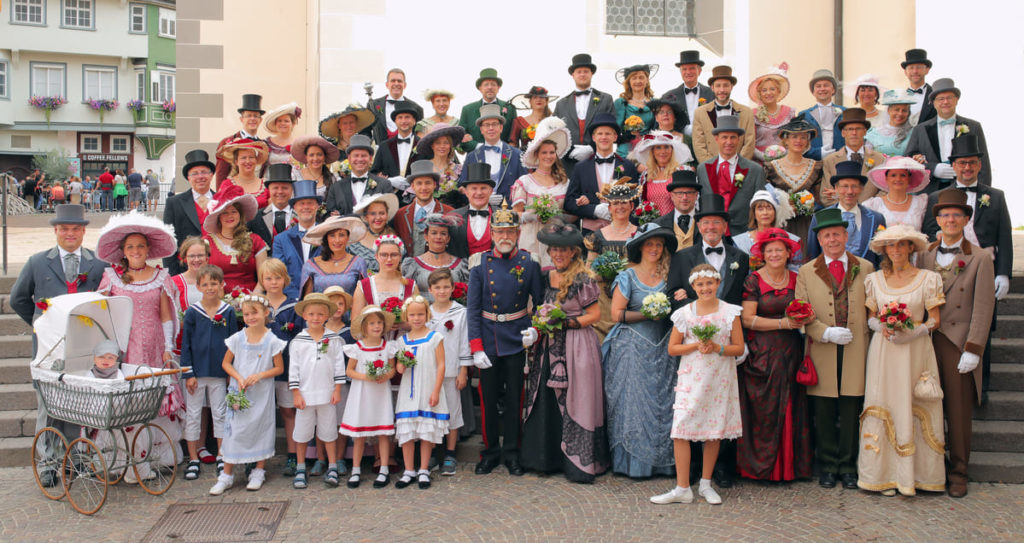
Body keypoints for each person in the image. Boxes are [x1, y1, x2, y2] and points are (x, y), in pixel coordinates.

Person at [10, 204, 106, 488]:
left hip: (83, 345)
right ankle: (50, 462)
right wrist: (42, 325)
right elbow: (18, 299)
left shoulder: (98, 264)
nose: (70, 234)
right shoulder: (37, 262)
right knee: (49, 404)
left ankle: (76, 458)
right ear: (55, 230)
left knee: (78, 403)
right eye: (64, 229)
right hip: (49, 348)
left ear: (83, 231)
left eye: (75, 229)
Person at [922, 135, 1012, 401]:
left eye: (972, 163)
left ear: (979, 165)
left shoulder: (995, 196)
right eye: (962, 164)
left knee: (983, 324)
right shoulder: (936, 196)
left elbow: (1004, 236)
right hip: (949, 270)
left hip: (984, 269)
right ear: (954, 166)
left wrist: (1004, 273)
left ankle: (979, 389)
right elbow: (929, 234)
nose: (967, 168)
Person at [96, 211, 182, 483]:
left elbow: (166, 314)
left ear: (148, 250)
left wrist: (168, 346)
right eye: (130, 246)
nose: (135, 251)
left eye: (140, 246)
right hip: (124, 348)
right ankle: (126, 462)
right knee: (128, 404)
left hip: (154, 345)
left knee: (153, 401)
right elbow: (102, 315)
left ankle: (154, 457)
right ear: (123, 251)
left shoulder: (160, 276)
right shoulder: (111, 277)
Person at [859, 225, 946, 496]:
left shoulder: (929, 278)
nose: (896, 250)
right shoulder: (874, 280)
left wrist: (915, 332)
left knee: (912, 403)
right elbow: (870, 317)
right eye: (891, 245)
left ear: (911, 247)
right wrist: (880, 328)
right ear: (884, 250)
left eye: (901, 244)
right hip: (884, 351)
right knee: (884, 401)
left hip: (916, 351)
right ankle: (883, 475)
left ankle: (916, 476)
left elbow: (935, 319)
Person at [918, 189, 994, 497]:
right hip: (926, 339)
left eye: (956, 215)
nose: (950, 220)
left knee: (958, 411)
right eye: (944, 215)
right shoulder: (923, 254)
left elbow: (984, 305)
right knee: (925, 406)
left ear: (965, 220)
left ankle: (959, 471)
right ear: (936, 219)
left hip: (958, 342)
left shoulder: (981, 258)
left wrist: (974, 349)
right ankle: (930, 468)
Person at [521, 224, 609, 483]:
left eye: (563, 250)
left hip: (577, 346)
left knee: (577, 399)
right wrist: (538, 326)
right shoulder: (546, 276)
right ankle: (545, 458)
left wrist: (563, 323)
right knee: (545, 398)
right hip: (548, 347)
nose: (558, 254)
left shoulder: (584, 278)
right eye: (554, 249)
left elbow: (594, 315)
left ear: (573, 252)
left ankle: (577, 464)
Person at [650, 264, 744, 506]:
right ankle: (682, 487)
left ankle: (705, 483)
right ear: (693, 287)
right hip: (691, 377)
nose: (705, 288)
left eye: (710, 283)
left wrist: (717, 347)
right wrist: (695, 345)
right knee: (681, 429)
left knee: (713, 432)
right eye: (700, 284)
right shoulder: (685, 313)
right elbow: (673, 348)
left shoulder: (730, 312)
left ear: (718, 283)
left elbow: (738, 347)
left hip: (719, 377)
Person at [795, 207, 875, 489]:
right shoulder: (806, 271)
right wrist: (824, 331)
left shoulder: (865, 267)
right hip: (822, 349)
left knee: (852, 408)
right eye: (826, 235)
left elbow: (872, 305)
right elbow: (800, 311)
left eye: (837, 234)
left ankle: (849, 467)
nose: (832, 240)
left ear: (846, 235)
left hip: (856, 347)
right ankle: (828, 465)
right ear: (820, 238)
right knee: (825, 409)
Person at [467, 203, 543, 476]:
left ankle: (512, 452)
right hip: (488, 339)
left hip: (517, 338)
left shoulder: (529, 262)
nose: (505, 236)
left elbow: (541, 303)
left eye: (510, 230)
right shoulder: (479, 263)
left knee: (514, 399)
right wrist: (475, 347)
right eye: (500, 231)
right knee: (487, 401)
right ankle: (489, 452)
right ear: (492, 232)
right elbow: (473, 310)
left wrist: (535, 330)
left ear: (519, 231)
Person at [601, 222, 677, 477]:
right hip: (631, 347)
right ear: (640, 248)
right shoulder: (628, 276)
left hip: (664, 348)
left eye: (659, 244)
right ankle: (632, 465)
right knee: (632, 404)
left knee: (663, 404)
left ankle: (662, 462)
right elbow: (616, 314)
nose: (654, 248)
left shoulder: (670, 275)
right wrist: (646, 313)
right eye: (650, 244)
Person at [738, 229, 812, 481]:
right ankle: (763, 468)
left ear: (789, 253)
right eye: (769, 250)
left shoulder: (798, 278)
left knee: (792, 406)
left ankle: (790, 467)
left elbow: (807, 308)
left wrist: (804, 319)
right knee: (765, 410)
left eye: (779, 250)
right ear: (762, 254)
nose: (774, 254)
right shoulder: (753, 281)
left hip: (792, 351)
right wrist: (783, 324)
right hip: (762, 353)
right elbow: (747, 319)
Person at [209, 294, 287, 495]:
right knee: (234, 430)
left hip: (261, 393)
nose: (251, 317)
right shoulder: (237, 338)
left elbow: (279, 368)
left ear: (265, 313)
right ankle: (226, 474)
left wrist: (260, 375)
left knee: (260, 427)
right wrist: (238, 377)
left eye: (255, 313)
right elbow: (226, 363)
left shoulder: (272, 340)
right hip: (239, 390)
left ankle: (258, 470)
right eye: (246, 314)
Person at [180, 264, 237, 481]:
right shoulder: (193, 312)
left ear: (221, 284)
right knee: (193, 414)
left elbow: (233, 344)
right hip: (196, 373)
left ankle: (222, 454)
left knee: (220, 413)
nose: (210, 288)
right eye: (205, 284)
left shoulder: (228, 311)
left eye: (214, 283)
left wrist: (231, 372)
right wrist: (188, 374)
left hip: (219, 372)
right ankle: (193, 458)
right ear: (198, 286)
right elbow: (186, 345)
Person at [288, 292, 346, 489]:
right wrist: (296, 393)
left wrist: (337, 390)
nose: (315, 318)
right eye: (311, 314)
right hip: (304, 395)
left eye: (320, 314)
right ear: (304, 315)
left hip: (327, 394)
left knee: (329, 432)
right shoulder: (298, 340)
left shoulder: (334, 339)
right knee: (302, 433)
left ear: (327, 316)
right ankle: (301, 467)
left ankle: (331, 466)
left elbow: (339, 366)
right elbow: (293, 368)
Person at [393, 296, 449, 490]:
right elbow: (399, 369)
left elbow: (441, 365)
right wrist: (403, 362)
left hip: (427, 388)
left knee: (426, 431)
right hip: (408, 391)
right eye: (412, 315)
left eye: (420, 314)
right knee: (407, 432)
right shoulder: (402, 341)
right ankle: (409, 470)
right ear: (406, 316)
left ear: (427, 314)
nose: (416, 318)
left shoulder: (435, 337)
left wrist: (436, 390)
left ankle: (424, 469)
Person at [340, 305, 397, 488]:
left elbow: (392, 368)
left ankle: (384, 469)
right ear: (364, 327)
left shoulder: (387, 347)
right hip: (362, 393)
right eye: (372, 323)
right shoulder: (358, 348)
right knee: (360, 434)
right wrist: (366, 376)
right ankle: (355, 470)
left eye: (379, 322)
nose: (376, 326)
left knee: (382, 432)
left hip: (380, 394)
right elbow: (349, 371)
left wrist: (386, 375)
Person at [259, 258, 304, 477]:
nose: (273, 282)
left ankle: (293, 455)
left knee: (288, 410)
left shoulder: (294, 305)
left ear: (285, 279)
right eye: (268, 278)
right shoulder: (257, 305)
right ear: (262, 281)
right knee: (260, 412)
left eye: (277, 278)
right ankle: (257, 458)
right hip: (262, 369)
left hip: (287, 368)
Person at [905, 78, 992, 191]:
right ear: (933, 103)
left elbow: (983, 164)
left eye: (949, 98)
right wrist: (933, 168)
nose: (945, 102)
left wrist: (982, 193)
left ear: (957, 100)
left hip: (964, 189)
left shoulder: (973, 126)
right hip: (930, 192)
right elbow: (908, 160)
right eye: (941, 99)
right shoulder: (920, 129)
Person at [666, 193, 750, 308]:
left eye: (716, 222)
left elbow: (745, 296)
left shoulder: (741, 258)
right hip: (695, 322)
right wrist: (695, 306)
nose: (711, 227)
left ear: (725, 226)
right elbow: (672, 296)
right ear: (699, 227)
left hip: (729, 323)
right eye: (706, 222)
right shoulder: (681, 257)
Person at [426, 268, 472, 474]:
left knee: (453, 411)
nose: (442, 291)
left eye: (446, 287)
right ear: (430, 290)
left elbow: (464, 342)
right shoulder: (426, 312)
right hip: (429, 372)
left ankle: (451, 454)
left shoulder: (461, 312)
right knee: (432, 412)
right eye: (438, 287)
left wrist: (464, 370)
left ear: (453, 288)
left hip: (452, 370)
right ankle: (434, 453)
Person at [511, 117, 574, 269]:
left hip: (557, 240)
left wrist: (557, 215)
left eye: (552, 152)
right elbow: (514, 216)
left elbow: (571, 215)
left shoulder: (565, 182)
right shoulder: (525, 181)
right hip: (530, 239)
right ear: (537, 155)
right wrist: (534, 216)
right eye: (544, 152)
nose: (548, 156)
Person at [563, 113, 639, 232]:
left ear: (615, 137)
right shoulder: (580, 167)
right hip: (590, 231)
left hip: (621, 229)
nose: (604, 137)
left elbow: (635, 200)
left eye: (608, 133)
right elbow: (569, 202)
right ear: (594, 137)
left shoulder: (628, 166)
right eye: (600, 133)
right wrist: (594, 210)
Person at [694, 115, 767, 234]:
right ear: (716, 139)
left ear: (739, 139)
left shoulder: (755, 170)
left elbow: (760, 205)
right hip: (712, 234)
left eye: (733, 137)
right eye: (724, 137)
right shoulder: (703, 169)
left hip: (744, 233)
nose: (729, 142)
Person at [807, 161, 887, 266]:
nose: (849, 191)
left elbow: (881, 256)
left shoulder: (876, 218)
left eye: (854, 186)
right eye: (845, 186)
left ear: (861, 188)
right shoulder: (820, 217)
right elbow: (812, 254)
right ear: (836, 188)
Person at [764, 117, 823, 242]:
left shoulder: (816, 167)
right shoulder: (771, 167)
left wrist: (805, 204)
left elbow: (819, 198)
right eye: (794, 136)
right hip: (780, 225)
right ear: (786, 139)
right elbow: (767, 198)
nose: (799, 141)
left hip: (808, 226)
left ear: (808, 141)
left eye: (803, 137)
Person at [555, 53, 616, 172]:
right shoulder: (561, 104)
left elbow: (612, 127)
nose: (582, 74)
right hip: (568, 163)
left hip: (598, 158)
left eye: (586, 71)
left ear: (591, 73)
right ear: (573, 75)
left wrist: (592, 148)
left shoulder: (606, 99)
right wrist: (569, 150)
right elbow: (555, 133)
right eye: (579, 71)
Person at [458, 103, 527, 204]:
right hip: (481, 212)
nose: (491, 128)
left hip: (509, 212)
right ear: (481, 130)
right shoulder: (472, 156)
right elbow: (462, 187)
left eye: (494, 124)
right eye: (486, 125)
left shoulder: (516, 155)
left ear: (501, 128)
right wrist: (482, 199)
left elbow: (525, 185)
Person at [203, 187, 267, 292]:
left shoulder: (255, 241)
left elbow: (263, 278)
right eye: (225, 213)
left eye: (234, 211)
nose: (230, 216)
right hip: (217, 300)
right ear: (218, 216)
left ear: (240, 214)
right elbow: (202, 277)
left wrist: (252, 300)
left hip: (250, 300)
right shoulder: (206, 242)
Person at [163, 150, 216, 274]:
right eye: (194, 174)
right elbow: (168, 240)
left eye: (204, 172)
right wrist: (172, 273)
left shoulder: (222, 200)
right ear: (188, 178)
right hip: (184, 269)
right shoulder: (174, 203)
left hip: (216, 268)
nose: (200, 177)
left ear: (211, 175)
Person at [351, 234, 419, 331]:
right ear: (376, 256)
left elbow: (420, 322)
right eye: (384, 255)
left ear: (400, 257)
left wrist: (404, 325)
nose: (389, 259)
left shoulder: (411, 285)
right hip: (374, 343)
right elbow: (355, 324)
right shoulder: (364, 285)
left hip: (404, 342)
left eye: (394, 255)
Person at [691, 66, 756, 163]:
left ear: (731, 87)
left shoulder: (746, 112)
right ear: (712, 88)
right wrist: (712, 167)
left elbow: (749, 143)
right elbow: (698, 144)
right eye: (718, 86)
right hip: (711, 167)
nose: (721, 90)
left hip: (738, 168)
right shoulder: (700, 113)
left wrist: (738, 165)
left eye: (725, 85)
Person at [820, 108, 884, 206]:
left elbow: (885, 190)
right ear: (843, 133)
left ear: (865, 132)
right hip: (842, 216)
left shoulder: (879, 159)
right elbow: (825, 196)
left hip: (871, 215)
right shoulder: (830, 161)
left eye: (858, 129)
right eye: (850, 129)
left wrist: (869, 207)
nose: (854, 133)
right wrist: (846, 204)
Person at [731, 188, 803, 272]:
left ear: (775, 212)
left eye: (769, 208)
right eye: (760, 209)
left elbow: (796, 272)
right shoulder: (740, 242)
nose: (765, 213)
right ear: (753, 213)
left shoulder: (792, 240)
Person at [392, 160, 454, 256]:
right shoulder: (400, 215)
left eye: (428, 183)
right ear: (412, 186)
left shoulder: (449, 213)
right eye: (419, 183)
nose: (424, 188)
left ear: (434, 185)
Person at [402, 214, 469, 301]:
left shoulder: (461, 265)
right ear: (426, 236)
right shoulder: (412, 264)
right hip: (423, 312)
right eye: (434, 233)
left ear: (448, 238)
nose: (438, 237)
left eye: (443, 233)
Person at [272, 180, 321, 299]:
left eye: (310, 203)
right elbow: (280, 273)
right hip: (291, 299)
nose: (306, 207)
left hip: (322, 297)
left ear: (317, 206)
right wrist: (294, 298)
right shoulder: (281, 240)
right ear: (294, 207)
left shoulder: (327, 236)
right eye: (301, 203)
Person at [324, 135, 393, 217]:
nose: (360, 159)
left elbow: (390, 215)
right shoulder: (336, 187)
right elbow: (329, 216)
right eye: (356, 155)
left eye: (363, 156)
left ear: (370, 159)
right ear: (349, 159)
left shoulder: (384, 185)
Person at [300, 215, 368, 295]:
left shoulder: (358, 263)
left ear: (347, 237)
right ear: (326, 238)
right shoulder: (311, 265)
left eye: (341, 235)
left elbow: (364, 295)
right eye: (332, 235)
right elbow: (308, 300)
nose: (337, 240)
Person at [629, 130, 693, 216]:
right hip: (654, 226)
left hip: (676, 225)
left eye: (666, 147)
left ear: (672, 150)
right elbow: (643, 204)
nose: (663, 152)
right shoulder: (646, 176)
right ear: (653, 151)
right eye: (658, 147)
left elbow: (691, 202)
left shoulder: (682, 171)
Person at [862, 156, 931, 230]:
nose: (898, 179)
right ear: (886, 178)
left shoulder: (921, 203)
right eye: (893, 175)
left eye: (903, 175)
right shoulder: (872, 205)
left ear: (909, 178)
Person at [457, 68, 517, 152]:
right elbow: (460, 138)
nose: (490, 87)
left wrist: (505, 151)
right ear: (480, 88)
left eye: (493, 84)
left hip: (503, 158)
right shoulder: (467, 110)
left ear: (498, 87)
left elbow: (514, 137)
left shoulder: (510, 108)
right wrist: (479, 146)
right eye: (486, 84)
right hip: (476, 160)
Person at [659, 50, 713, 137]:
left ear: (699, 71)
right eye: (684, 69)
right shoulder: (668, 97)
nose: (688, 72)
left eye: (692, 68)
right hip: (679, 142)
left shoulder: (711, 94)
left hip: (706, 142)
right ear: (680, 72)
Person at [448, 163, 497, 259]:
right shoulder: (452, 217)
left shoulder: (503, 215)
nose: (479, 193)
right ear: (466, 192)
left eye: (483, 188)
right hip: (462, 272)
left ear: (491, 191)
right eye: (474, 188)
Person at [749, 63, 796, 162]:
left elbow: (795, 138)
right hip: (760, 162)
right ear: (760, 94)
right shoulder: (753, 114)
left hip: (786, 161)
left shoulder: (789, 112)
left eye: (772, 89)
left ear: (778, 91)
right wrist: (765, 157)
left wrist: (784, 155)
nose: (768, 93)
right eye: (764, 90)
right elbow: (749, 142)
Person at [215, 93, 265, 184]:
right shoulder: (227, 143)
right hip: (235, 191)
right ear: (241, 119)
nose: (252, 119)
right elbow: (221, 174)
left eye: (256, 116)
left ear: (260, 120)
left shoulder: (263, 146)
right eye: (249, 115)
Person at [366, 68, 424, 144]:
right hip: (381, 153)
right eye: (393, 81)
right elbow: (366, 132)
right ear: (387, 84)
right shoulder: (373, 105)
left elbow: (419, 134)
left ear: (405, 85)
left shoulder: (416, 108)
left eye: (399, 81)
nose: (396, 84)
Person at [371, 101, 422, 189]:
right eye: (400, 118)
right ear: (395, 121)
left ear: (414, 121)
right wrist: (387, 180)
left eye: (407, 117)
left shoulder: (422, 144)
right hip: (390, 194)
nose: (403, 121)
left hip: (417, 195)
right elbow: (374, 173)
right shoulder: (384, 146)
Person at [797, 69, 845, 161]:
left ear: (833, 89)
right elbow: (799, 143)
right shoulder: (804, 115)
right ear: (813, 91)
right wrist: (818, 153)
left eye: (826, 85)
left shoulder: (844, 112)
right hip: (814, 163)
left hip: (840, 162)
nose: (822, 89)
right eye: (818, 86)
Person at [415, 122, 465, 209]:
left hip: (454, 214)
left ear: (451, 145)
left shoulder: (459, 169)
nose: (442, 146)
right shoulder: (423, 168)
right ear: (432, 145)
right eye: (438, 143)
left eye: (446, 143)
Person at [349, 193, 400, 274]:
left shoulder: (396, 241)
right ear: (366, 217)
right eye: (373, 213)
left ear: (387, 215)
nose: (378, 218)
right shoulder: (354, 243)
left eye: (382, 213)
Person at [247, 163, 294, 248]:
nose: (280, 192)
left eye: (284, 188)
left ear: (292, 190)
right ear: (268, 190)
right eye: (275, 188)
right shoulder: (255, 217)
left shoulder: (300, 216)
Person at [613, 64, 657, 155]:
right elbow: (615, 130)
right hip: (626, 149)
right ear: (629, 82)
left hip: (648, 148)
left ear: (647, 80)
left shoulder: (655, 103)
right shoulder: (621, 103)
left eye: (641, 77)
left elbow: (657, 129)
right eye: (634, 78)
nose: (638, 81)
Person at [215, 138, 271, 208]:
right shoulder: (227, 185)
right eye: (243, 158)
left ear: (256, 160)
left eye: (251, 157)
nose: (248, 161)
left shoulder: (266, 185)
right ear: (236, 162)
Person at [866, 90, 917, 157]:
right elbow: (867, 158)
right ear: (888, 110)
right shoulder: (873, 133)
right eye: (896, 110)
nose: (900, 114)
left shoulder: (914, 133)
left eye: (904, 111)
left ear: (908, 113)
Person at [290, 135, 338, 205]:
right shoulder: (295, 176)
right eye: (311, 155)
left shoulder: (333, 178)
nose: (315, 159)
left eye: (319, 154)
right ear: (306, 157)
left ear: (324, 157)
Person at [508, 86, 557, 151]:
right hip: (525, 159)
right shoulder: (519, 121)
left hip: (548, 158)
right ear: (530, 101)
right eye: (535, 97)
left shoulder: (553, 121)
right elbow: (513, 145)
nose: (538, 99)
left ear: (546, 101)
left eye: (541, 97)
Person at [901, 49, 936, 124]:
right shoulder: (900, 97)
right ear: (905, 72)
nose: (915, 71)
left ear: (927, 70)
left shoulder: (936, 95)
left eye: (919, 67)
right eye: (911, 68)